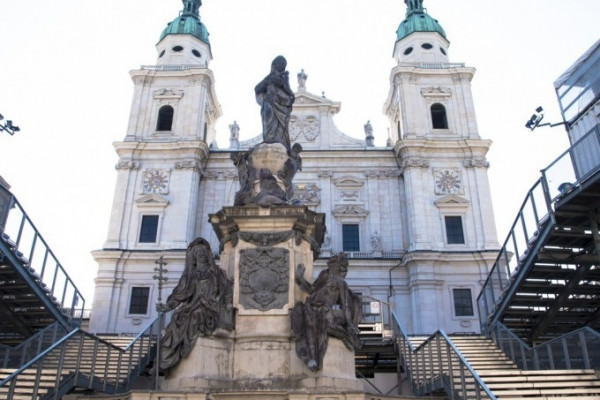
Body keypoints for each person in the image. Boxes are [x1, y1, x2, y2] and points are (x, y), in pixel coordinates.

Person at [159, 238, 233, 372]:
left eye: (204, 252)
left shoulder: (218, 273)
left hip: (212, 307)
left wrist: (228, 303)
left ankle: (188, 347)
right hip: (193, 305)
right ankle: (173, 356)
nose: (202, 254)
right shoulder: (189, 276)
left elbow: (227, 288)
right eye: (198, 252)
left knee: (197, 315)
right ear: (193, 257)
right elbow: (179, 295)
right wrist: (167, 306)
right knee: (177, 317)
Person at [292, 253, 362, 371]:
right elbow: (312, 290)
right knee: (309, 327)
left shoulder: (341, 283)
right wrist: (300, 279)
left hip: (325, 309)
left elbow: (345, 305)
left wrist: (350, 324)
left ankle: (345, 336)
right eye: (332, 264)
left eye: (335, 265)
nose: (331, 267)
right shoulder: (324, 275)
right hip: (311, 306)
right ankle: (312, 359)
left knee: (322, 325)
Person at [254, 55, 295, 151]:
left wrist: (283, 84)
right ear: (274, 65)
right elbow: (257, 88)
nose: (281, 66)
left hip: (281, 108)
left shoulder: (284, 77)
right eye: (280, 63)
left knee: (281, 128)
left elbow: (290, 94)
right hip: (269, 105)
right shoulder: (270, 77)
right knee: (269, 121)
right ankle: (269, 140)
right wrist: (270, 81)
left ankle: (279, 145)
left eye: (283, 64)